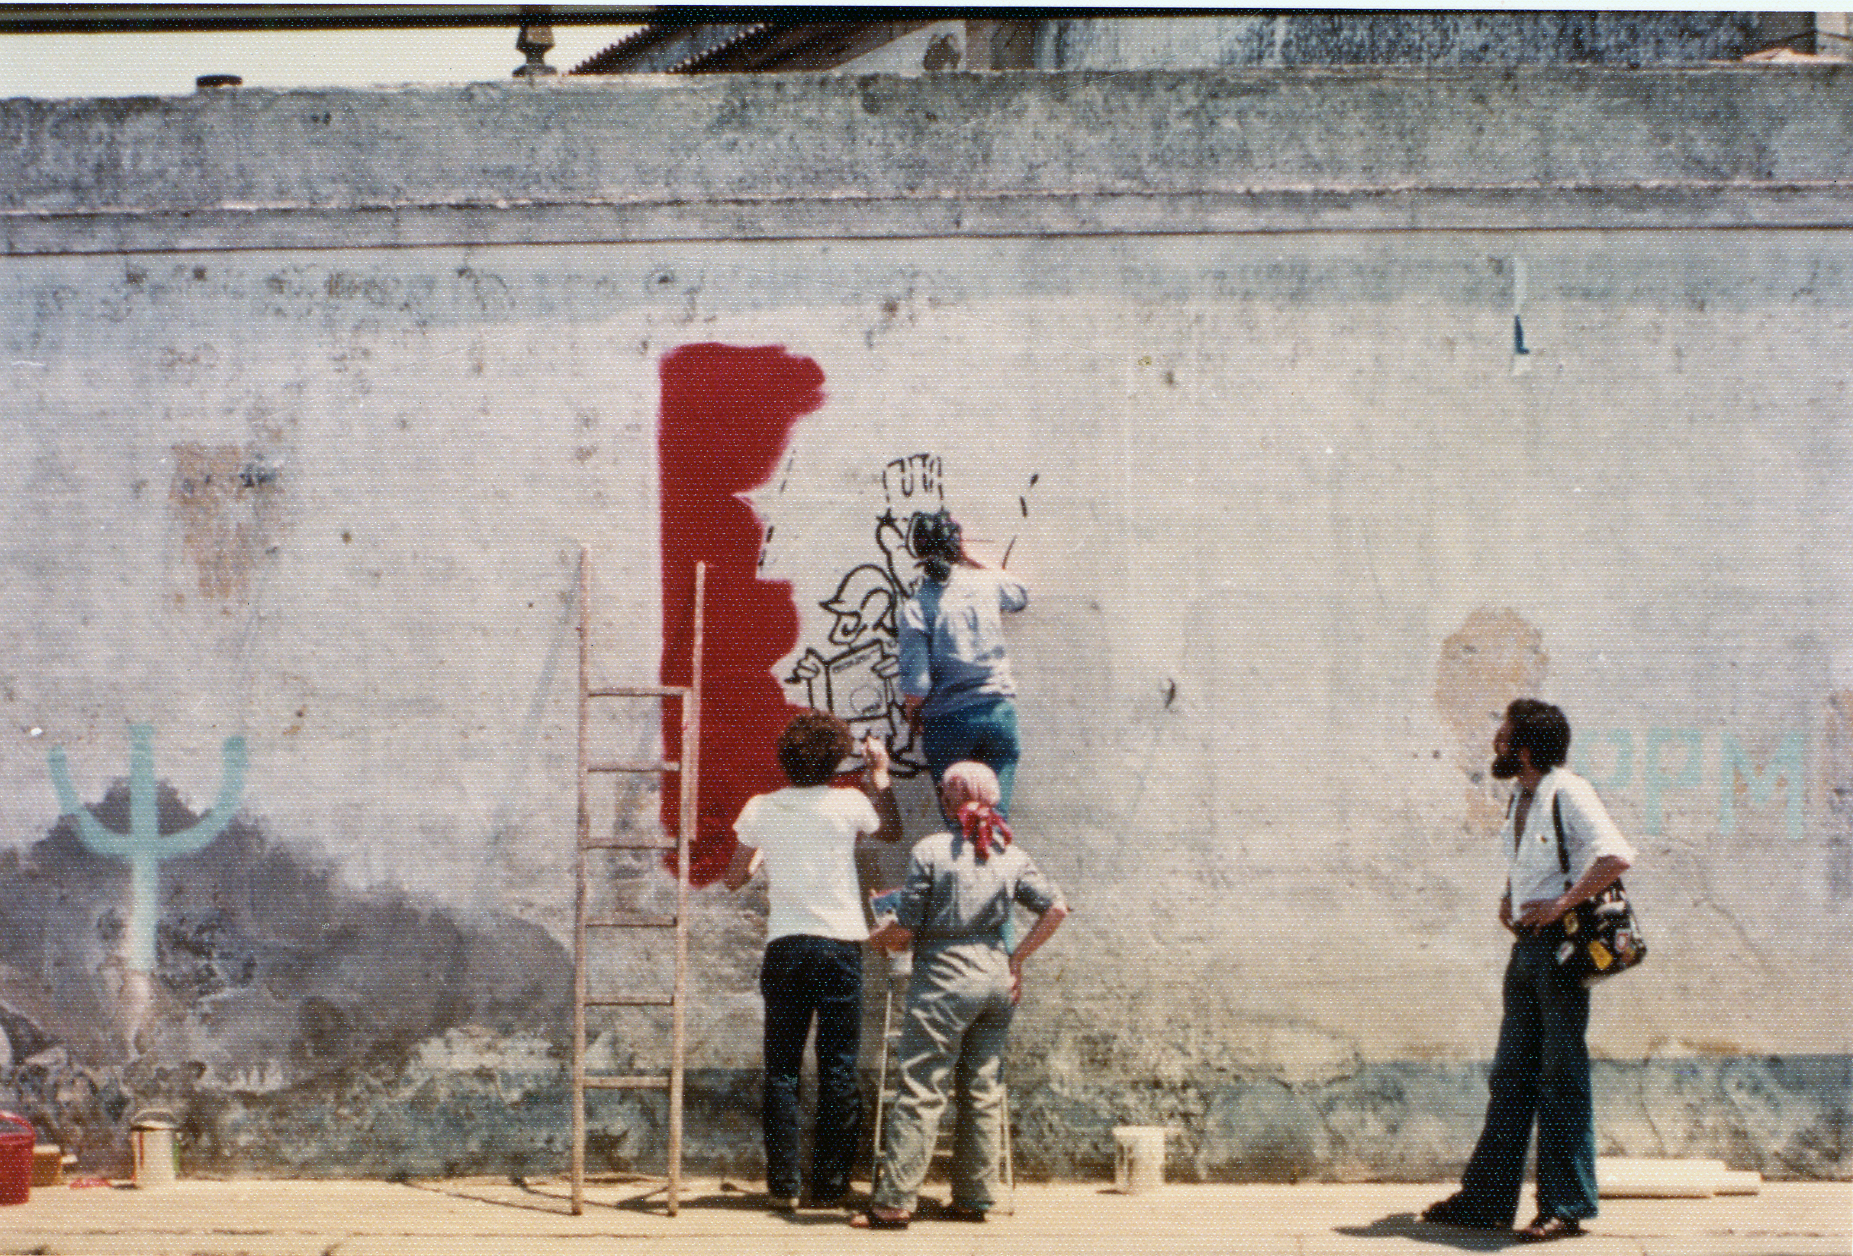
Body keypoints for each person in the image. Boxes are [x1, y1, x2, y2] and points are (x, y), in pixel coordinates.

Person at [1424, 698, 1636, 1243]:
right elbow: (1536, 864)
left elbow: (1614, 856)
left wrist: (1561, 905)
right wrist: (1511, 896)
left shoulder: (1569, 790)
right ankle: (1487, 1201)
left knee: (1561, 1077)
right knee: (1512, 1077)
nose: (1494, 741)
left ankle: (1565, 1206)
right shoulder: (1523, 796)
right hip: (1527, 948)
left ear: (1523, 746)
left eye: (1503, 733)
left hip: (1560, 954)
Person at [851, 760, 1068, 1230]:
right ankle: (974, 1197)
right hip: (994, 979)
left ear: (948, 801)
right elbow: (1056, 909)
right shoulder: (1010, 853)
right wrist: (1019, 959)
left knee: (922, 1089)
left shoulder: (931, 851)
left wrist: (876, 935)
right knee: (983, 1089)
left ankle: (893, 1203)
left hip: (943, 981)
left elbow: (906, 929)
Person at [724, 711, 902, 1211]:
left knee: (781, 1068)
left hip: (786, 948)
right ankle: (829, 1186)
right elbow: (889, 829)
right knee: (839, 1067)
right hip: (840, 945)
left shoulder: (760, 808)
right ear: (835, 759)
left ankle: (783, 1185)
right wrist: (879, 772)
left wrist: (757, 860)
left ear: (785, 759)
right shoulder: (848, 803)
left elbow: (735, 876)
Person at [898, 509, 1029, 816]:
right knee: (995, 819)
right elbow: (1021, 594)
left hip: (947, 723)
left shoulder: (916, 607)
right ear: (957, 546)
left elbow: (917, 688)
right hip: (998, 715)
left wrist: (913, 712)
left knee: (961, 822)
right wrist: (972, 558)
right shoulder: (986, 585)